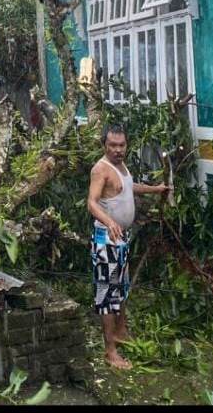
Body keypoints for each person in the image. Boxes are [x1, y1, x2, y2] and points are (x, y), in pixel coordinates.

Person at [87, 123, 168, 370]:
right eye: (112, 145)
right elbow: (91, 202)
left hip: (121, 239)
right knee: (108, 294)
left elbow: (129, 188)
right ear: (104, 145)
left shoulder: (121, 166)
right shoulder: (101, 169)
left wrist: (156, 189)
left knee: (121, 288)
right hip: (106, 241)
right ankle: (110, 351)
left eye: (121, 145)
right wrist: (110, 221)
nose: (117, 149)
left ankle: (121, 332)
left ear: (126, 145)